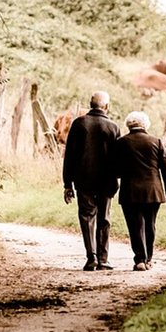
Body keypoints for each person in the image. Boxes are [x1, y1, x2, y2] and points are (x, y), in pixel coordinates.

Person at [63, 91, 121, 271]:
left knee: (87, 217)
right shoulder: (113, 127)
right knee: (104, 218)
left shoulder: (79, 124)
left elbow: (69, 156)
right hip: (106, 181)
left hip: (83, 179)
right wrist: (117, 178)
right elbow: (118, 158)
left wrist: (67, 184)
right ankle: (103, 259)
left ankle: (91, 257)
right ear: (107, 107)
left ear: (90, 104)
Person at [114, 111, 166, 271]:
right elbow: (165, 169)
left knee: (135, 226)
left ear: (129, 125)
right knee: (150, 224)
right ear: (145, 125)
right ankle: (148, 259)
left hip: (130, 191)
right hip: (153, 190)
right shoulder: (156, 142)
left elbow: (116, 169)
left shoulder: (121, 143)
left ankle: (140, 259)